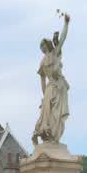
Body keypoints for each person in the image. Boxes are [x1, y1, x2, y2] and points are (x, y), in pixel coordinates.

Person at [32, 12, 70, 145]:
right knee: (46, 114)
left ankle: (55, 136)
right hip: (50, 88)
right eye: (40, 47)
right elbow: (42, 81)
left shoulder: (55, 53)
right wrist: (44, 95)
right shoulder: (42, 63)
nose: (42, 49)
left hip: (59, 86)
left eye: (43, 46)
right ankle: (48, 135)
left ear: (48, 45)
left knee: (57, 115)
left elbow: (63, 39)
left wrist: (66, 24)